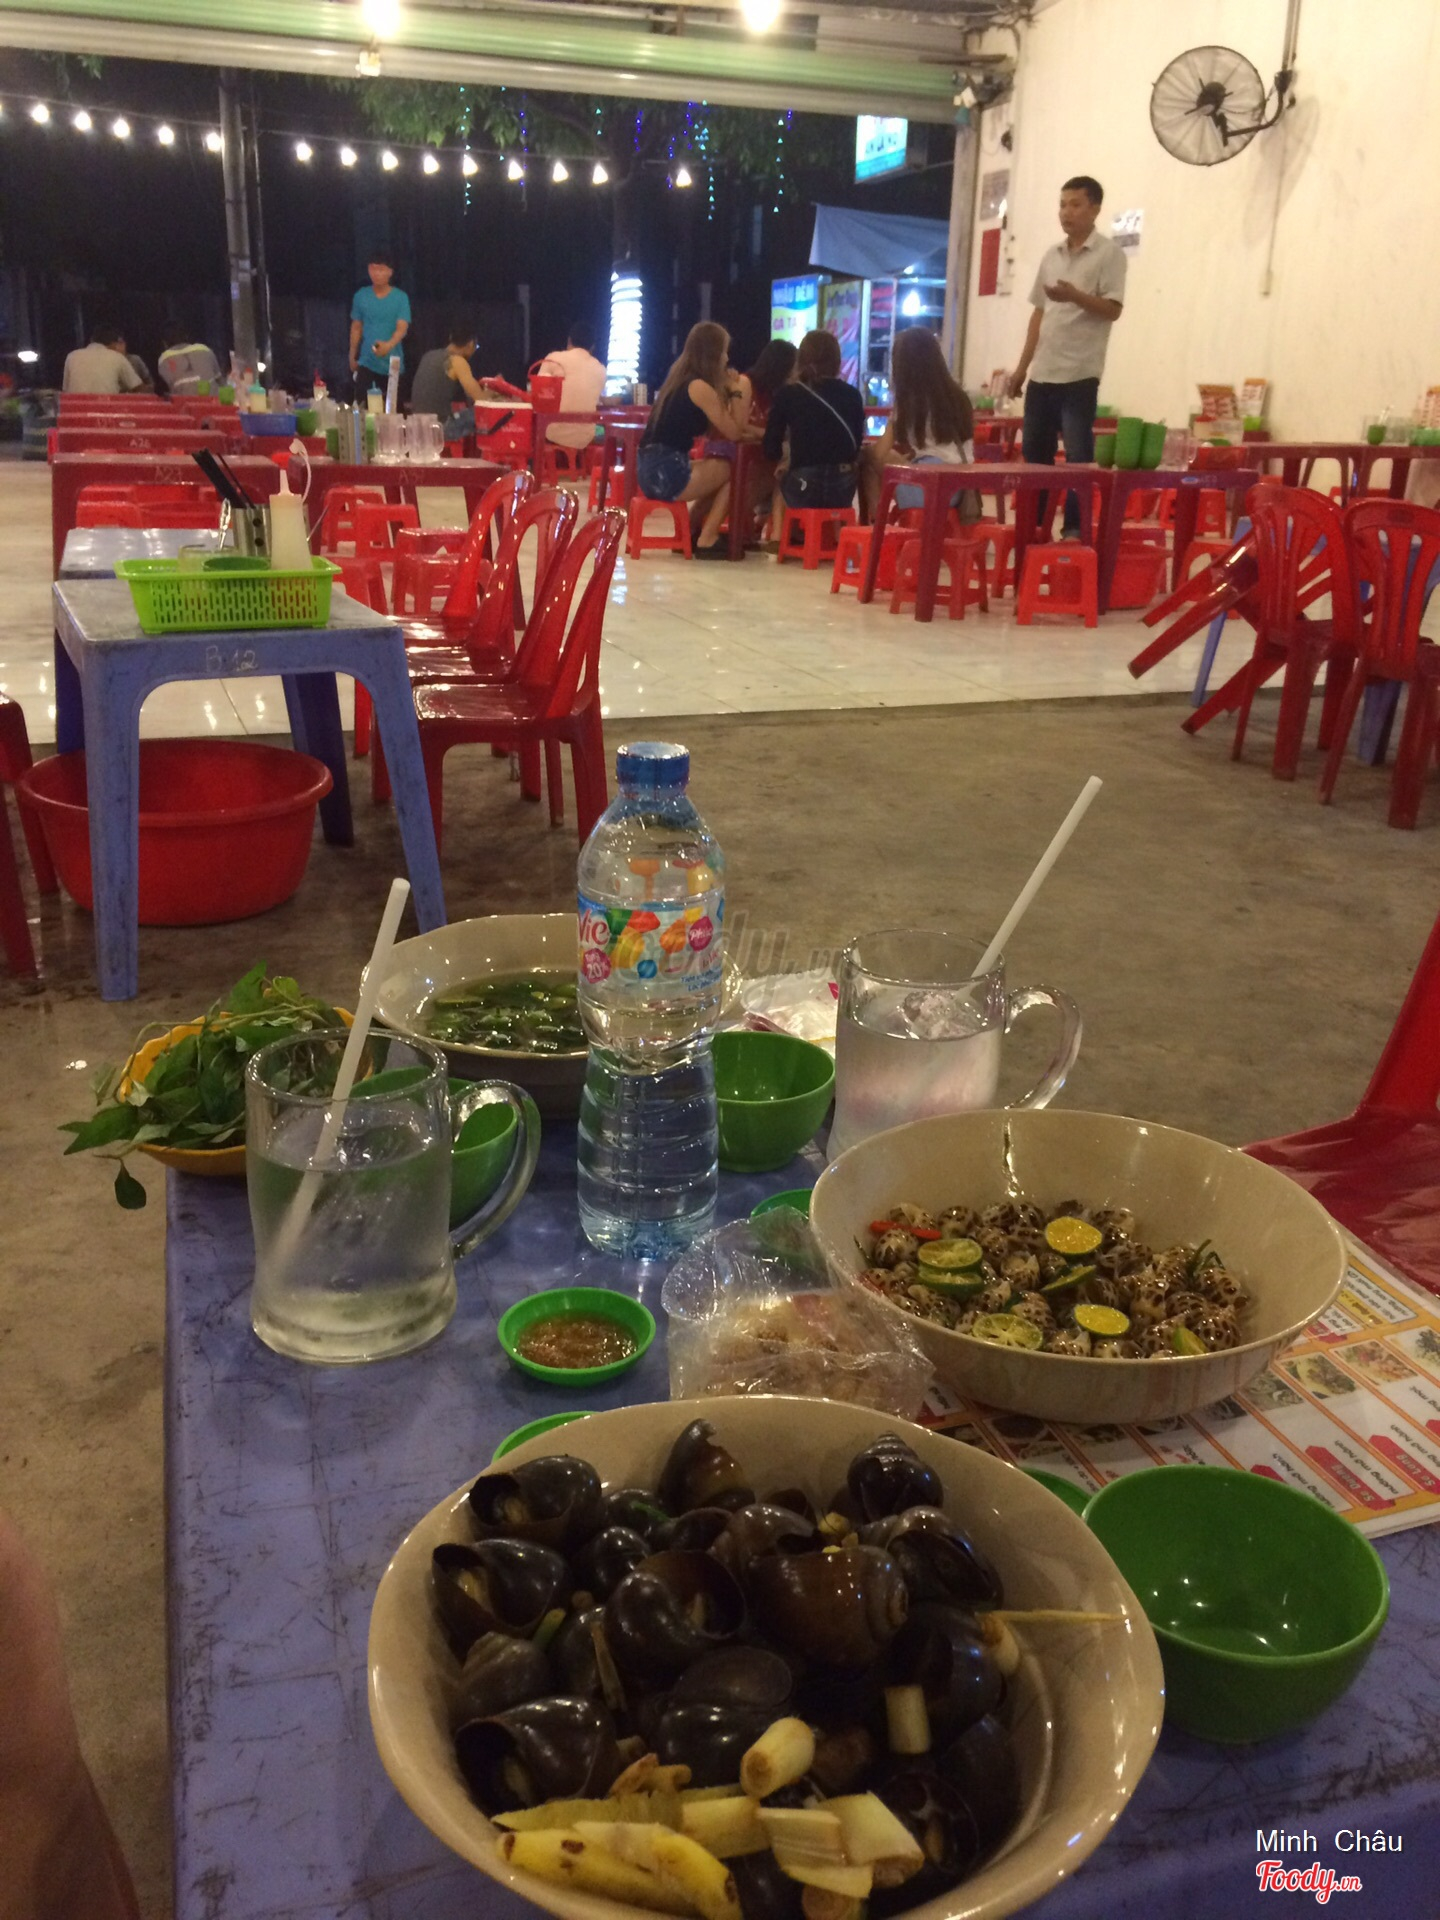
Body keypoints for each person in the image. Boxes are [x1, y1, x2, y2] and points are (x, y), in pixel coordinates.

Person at [1009, 174, 1126, 534]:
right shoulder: (1051, 255)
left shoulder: (1109, 254)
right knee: (1035, 457)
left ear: (1095, 208)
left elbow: (1113, 309)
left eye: (1075, 204)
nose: (1066, 212)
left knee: (1078, 457)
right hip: (1043, 372)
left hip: (1079, 373)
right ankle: (1035, 527)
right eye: (1062, 205)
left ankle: (1074, 529)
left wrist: (1075, 295)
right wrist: (1022, 368)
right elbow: (1039, 314)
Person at [638, 321, 760, 557]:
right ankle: (707, 538)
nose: (727, 359)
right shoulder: (699, 387)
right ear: (713, 354)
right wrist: (735, 389)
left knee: (716, 470)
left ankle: (690, 530)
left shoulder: (679, 379)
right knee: (734, 470)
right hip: (666, 473)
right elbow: (734, 432)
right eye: (724, 352)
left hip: (650, 468)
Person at [861, 325, 975, 519]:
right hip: (959, 491)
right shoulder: (959, 396)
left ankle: (876, 523)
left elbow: (879, 453)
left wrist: (864, 452)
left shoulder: (909, 401)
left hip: (926, 490)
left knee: (870, 463)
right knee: (897, 458)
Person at [763, 328, 864, 513]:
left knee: (780, 480)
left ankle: (781, 531)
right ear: (837, 361)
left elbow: (771, 448)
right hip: (842, 487)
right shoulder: (853, 394)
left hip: (804, 485)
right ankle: (835, 529)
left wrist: (786, 460)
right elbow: (855, 446)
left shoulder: (789, 393)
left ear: (801, 359)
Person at [349, 253, 411, 404]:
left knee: (392, 409)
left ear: (390, 272)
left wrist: (388, 345)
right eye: (373, 268)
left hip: (393, 364)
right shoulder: (361, 295)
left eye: (381, 269)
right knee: (362, 407)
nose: (376, 273)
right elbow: (356, 327)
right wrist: (352, 354)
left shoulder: (400, 297)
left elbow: (402, 328)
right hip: (366, 361)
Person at [535, 323, 608, 451]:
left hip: (552, 433)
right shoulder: (601, 370)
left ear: (569, 340)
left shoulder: (553, 359)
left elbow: (538, 395)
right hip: (585, 438)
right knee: (601, 430)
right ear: (592, 347)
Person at [409, 317, 477, 435]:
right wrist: (494, 395)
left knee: (461, 413)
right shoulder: (457, 361)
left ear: (450, 338)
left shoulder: (428, 355)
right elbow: (479, 399)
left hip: (418, 425)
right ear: (471, 344)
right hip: (441, 427)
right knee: (478, 415)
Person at [61, 324, 142, 396]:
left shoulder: (71, 356)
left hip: (76, 407)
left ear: (92, 340)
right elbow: (139, 388)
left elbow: (65, 390)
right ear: (114, 343)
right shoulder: (117, 357)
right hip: (106, 406)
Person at [739, 338, 798, 429]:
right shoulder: (745, 383)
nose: (795, 375)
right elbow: (738, 427)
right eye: (793, 369)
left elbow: (782, 432)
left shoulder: (779, 394)